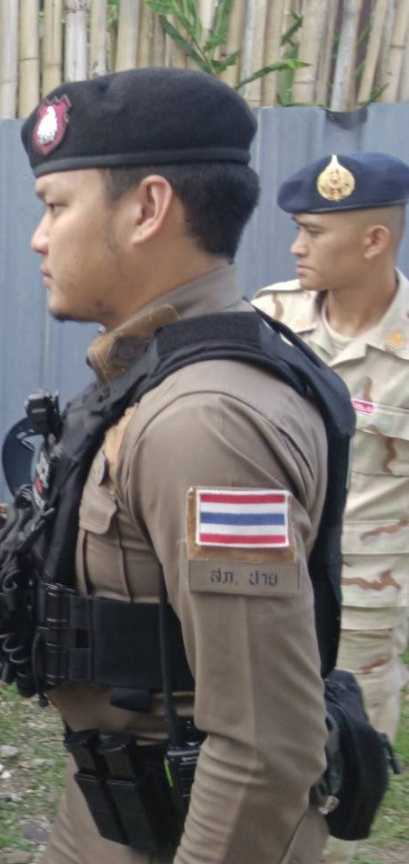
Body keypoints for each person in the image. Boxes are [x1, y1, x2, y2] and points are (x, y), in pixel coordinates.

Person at [0, 68, 352, 862]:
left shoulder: (206, 422)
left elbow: (265, 745)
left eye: (57, 207)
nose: (39, 237)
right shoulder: (153, 374)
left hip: (187, 830)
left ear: (149, 208)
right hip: (114, 804)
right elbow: (148, 601)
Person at [252, 152, 409, 864]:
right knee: (248, 759)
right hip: (263, 582)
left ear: (374, 239)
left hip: (367, 605)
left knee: (342, 773)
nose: (296, 246)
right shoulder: (269, 317)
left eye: (313, 232)